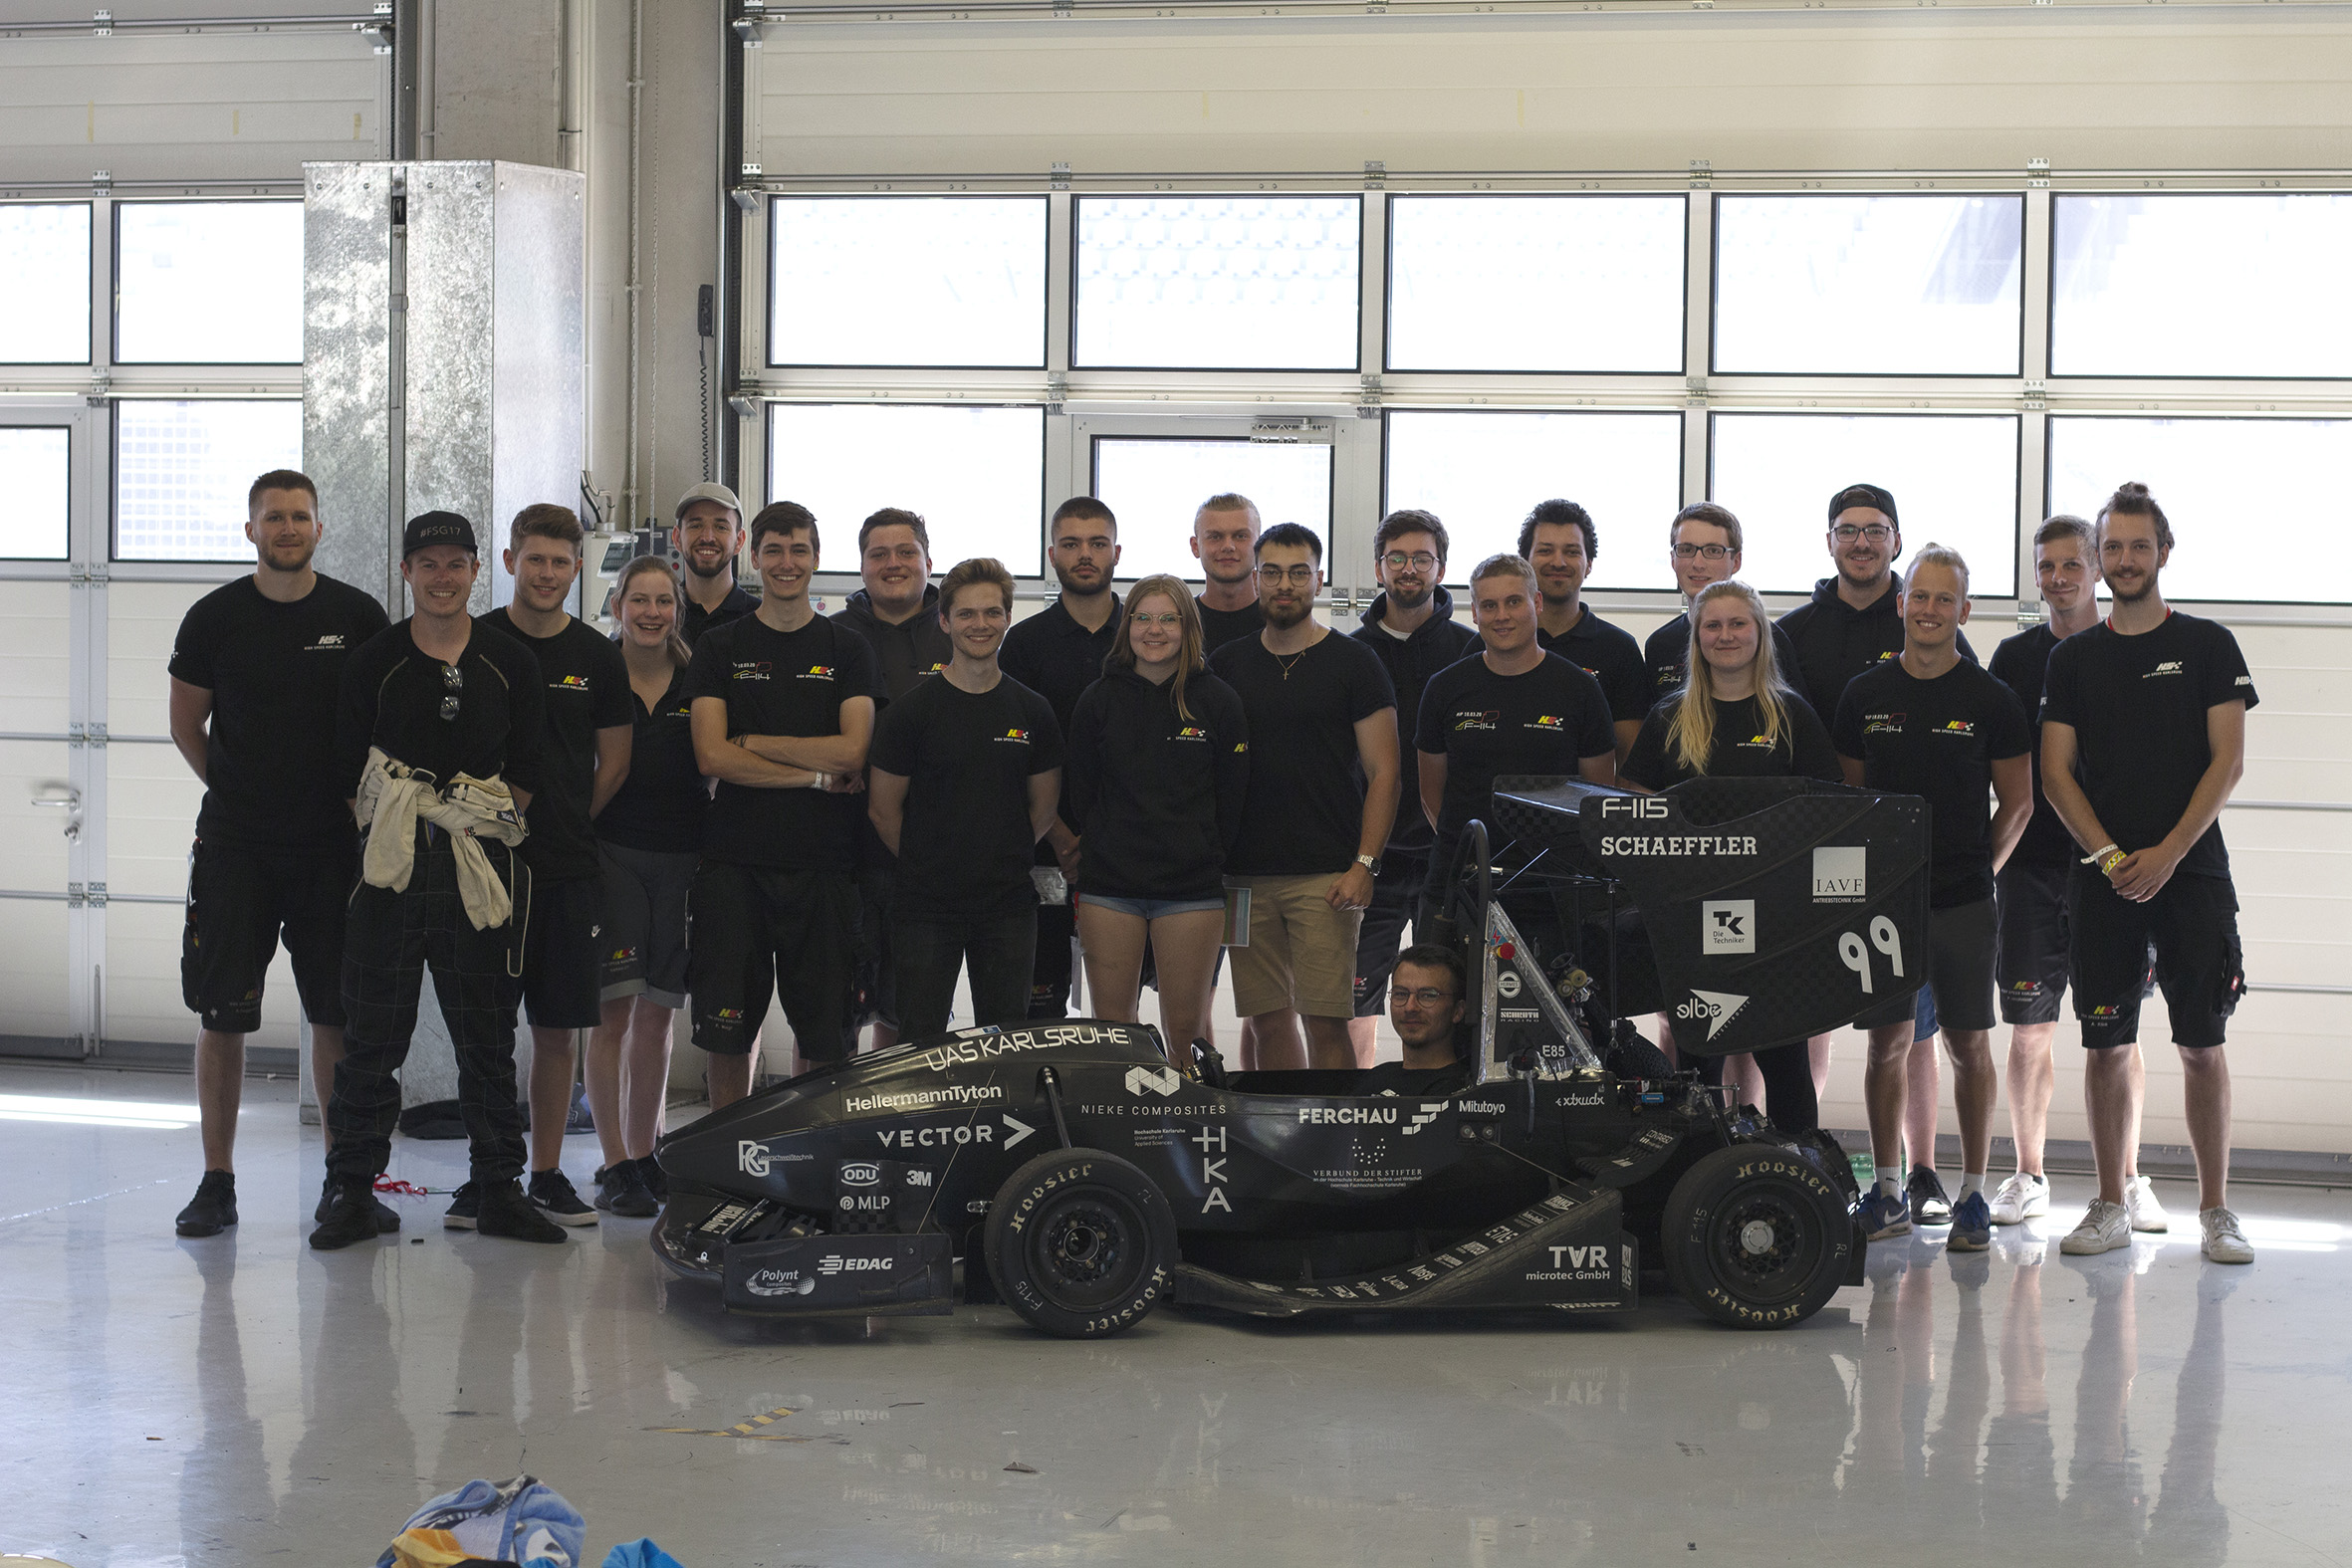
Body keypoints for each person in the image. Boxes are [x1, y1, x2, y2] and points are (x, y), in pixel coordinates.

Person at [311, 511, 560, 1248]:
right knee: (371, 1038)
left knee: (486, 1037)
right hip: (389, 869)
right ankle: (351, 1189)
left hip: (479, 865)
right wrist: (396, 829)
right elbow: (345, 770)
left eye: (456, 563)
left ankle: (498, 1188)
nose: (443, 577)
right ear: (407, 572)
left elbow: (529, 771)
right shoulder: (375, 662)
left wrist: (470, 825)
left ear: (477, 570)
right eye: (429, 564)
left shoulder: (511, 663)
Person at [165, 469, 389, 1237]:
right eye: (273, 517)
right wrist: (238, 791)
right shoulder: (215, 618)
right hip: (236, 849)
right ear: (251, 529)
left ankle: (342, 1182)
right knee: (222, 1016)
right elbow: (185, 724)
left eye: (299, 516)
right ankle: (216, 1181)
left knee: (335, 1015)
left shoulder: (357, 616)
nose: (287, 528)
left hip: (332, 850)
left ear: (319, 527)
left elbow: (379, 726)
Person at [2041, 483, 2256, 1264]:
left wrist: (2168, 852)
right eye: (2114, 547)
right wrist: (2107, 854)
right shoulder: (2072, 658)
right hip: (2103, 879)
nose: (2126, 558)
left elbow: (2228, 762)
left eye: (2140, 545)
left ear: (2164, 552)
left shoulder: (2209, 645)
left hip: (2192, 875)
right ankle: (2110, 1203)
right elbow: (2055, 772)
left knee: (2202, 1044)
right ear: (2097, 560)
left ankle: (2217, 1211)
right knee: (2105, 1044)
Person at [1777, 481, 1975, 1224]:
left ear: (1895, 539)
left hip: (1914, 868)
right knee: (1815, 1016)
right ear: (1829, 540)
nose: (1861, 542)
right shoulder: (1792, 632)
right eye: (1848, 529)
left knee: (1915, 1026)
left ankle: (1919, 1174)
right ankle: (1809, 1161)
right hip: (1817, 851)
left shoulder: (1929, 621)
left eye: (1876, 529)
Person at [1834, 545, 2033, 1251]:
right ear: (1901, 604)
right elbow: (1849, 804)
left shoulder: (1991, 699)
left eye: (1944, 599)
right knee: (1887, 1043)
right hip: (1883, 904)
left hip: (1962, 903)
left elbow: (2018, 803)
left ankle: (1973, 1194)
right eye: (1919, 596)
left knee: (1969, 1044)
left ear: (1964, 611)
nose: (1929, 609)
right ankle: (1888, 1191)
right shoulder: (1863, 695)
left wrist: (1978, 871)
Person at [1988, 518, 2162, 1232]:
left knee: (2118, 1031)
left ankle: (2128, 1178)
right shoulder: (2013, 658)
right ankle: (2028, 1174)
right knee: (2030, 1030)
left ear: (2096, 569)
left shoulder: (2126, 648)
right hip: (2029, 868)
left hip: (2112, 868)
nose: (2058, 578)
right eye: (2045, 567)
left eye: (2071, 564)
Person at [1622, 578, 1837, 1133]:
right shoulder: (1670, 717)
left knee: (1785, 1060)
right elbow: (1636, 807)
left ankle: (1797, 1161)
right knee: (1697, 1061)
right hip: (1692, 916)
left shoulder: (1792, 716)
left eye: (1738, 623)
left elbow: (1831, 811)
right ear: (1696, 638)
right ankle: (1698, 1166)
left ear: (1760, 633)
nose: (1725, 635)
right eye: (1712, 625)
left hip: (1776, 920)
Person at [684, 501, 877, 1106]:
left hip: (824, 869)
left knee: (826, 1038)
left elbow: (852, 751)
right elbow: (711, 756)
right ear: (754, 556)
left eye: (798, 550)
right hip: (733, 867)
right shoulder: (719, 646)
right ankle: (730, 1155)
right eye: (774, 550)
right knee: (727, 1036)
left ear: (816, 558)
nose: (786, 563)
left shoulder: (847, 649)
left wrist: (754, 743)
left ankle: (815, 1154)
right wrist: (813, 777)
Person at [475, 504, 633, 1229]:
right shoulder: (474, 643)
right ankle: (488, 1177)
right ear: (510, 561)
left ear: (577, 569)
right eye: (534, 559)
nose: (546, 573)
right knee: (484, 1034)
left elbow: (614, 763)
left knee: (556, 1031)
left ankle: (544, 1174)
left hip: (566, 870)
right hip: (479, 869)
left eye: (559, 562)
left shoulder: (598, 657)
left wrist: (560, 819)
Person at [1209, 523, 1400, 1071]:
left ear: (1319, 580)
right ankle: (1281, 1126)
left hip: (1328, 879)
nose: (1284, 585)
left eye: (1298, 573)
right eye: (1272, 573)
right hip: (1243, 878)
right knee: (1266, 1020)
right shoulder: (1227, 664)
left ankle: (1332, 1128)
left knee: (1325, 1020)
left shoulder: (1355, 662)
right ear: (1256, 579)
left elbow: (1385, 773)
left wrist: (1365, 865)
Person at [867, 559, 1062, 1038]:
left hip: (1007, 906)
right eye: (967, 614)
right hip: (925, 907)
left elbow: (1043, 810)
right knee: (921, 1042)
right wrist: (931, 864)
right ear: (944, 621)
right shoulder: (911, 714)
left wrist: (997, 858)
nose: (980, 624)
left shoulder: (1033, 711)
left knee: (1007, 1041)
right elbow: (883, 810)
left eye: (992, 612)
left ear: (1008, 617)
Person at [1066, 575, 1251, 1062]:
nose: (1154, 629)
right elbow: (1082, 794)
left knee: (1186, 1032)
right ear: (1126, 626)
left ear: (1188, 627)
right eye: (1143, 617)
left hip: (1190, 890)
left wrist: (1200, 850)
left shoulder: (1218, 701)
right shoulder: (1097, 700)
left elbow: (1231, 800)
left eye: (1169, 618)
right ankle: (1124, 1113)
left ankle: (1185, 1113)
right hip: (1110, 887)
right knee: (1113, 1031)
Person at [585, 557, 703, 1219]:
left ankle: (644, 1151)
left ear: (677, 611)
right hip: (614, 856)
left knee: (658, 1016)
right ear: (618, 605)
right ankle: (613, 1163)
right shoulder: (598, 673)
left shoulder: (698, 678)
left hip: (682, 858)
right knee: (614, 1014)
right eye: (640, 600)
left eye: (664, 601)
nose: (652, 612)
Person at [1416, 553, 1617, 927]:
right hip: (1458, 881)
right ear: (1474, 613)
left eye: (1513, 602)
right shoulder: (1444, 688)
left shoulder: (1579, 689)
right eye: (1489, 605)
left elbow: (1597, 796)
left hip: (1553, 888)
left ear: (1536, 603)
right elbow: (1431, 794)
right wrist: (1469, 849)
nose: (1502, 616)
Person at [1348, 509, 1476, 1058]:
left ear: (1440, 568)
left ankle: (1436, 1099)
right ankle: (1357, 1103)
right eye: (1396, 558)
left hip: (1445, 861)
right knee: (1352, 1003)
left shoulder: (1472, 651)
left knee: (1442, 1002)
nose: (1408, 569)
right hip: (1368, 859)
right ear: (1379, 568)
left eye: (1422, 559)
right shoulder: (1349, 653)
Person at [832, 508, 954, 1051]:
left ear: (929, 561)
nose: (893, 564)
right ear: (861, 565)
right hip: (840, 854)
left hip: (923, 858)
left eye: (906, 552)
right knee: (830, 1019)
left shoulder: (960, 633)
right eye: (878, 554)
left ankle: (893, 1106)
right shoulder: (833, 634)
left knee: (910, 1021)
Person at [1001, 497, 1123, 1019]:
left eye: (1097, 543)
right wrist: (1059, 835)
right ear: (1052, 555)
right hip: (1044, 848)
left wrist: (1105, 840)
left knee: (1122, 1009)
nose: (1085, 555)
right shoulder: (1023, 644)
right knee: (1040, 1006)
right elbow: (1014, 755)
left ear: (1117, 552)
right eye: (1071, 544)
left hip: (1128, 849)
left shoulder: (1146, 636)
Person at [1486, 500, 1648, 759]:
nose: (1558, 562)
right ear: (1524, 561)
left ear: (1589, 563)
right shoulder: (1490, 644)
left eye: (1572, 552)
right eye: (1545, 551)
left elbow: (1631, 761)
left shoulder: (1619, 650)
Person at [1642, 502, 1797, 713]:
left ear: (1736, 561)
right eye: (1686, 550)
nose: (1698, 563)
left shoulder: (1770, 639)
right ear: (1672, 560)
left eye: (1713, 551)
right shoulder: (1659, 645)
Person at [1359, 943, 1474, 1096]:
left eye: (1428, 995)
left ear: (1457, 1011)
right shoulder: (1376, 1077)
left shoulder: (1462, 1092)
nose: (1410, 1007)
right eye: (1401, 994)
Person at [672, 482, 757, 648]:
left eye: (721, 527)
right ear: (677, 538)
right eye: (696, 525)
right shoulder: (661, 616)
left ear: (739, 541)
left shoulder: (759, 618)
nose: (707, 537)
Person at [1191, 493, 1266, 656]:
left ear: (1260, 545)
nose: (1228, 546)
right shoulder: (1179, 622)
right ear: (1195, 546)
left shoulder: (1281, 623)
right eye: (1215, 537)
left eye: (1240, 536)